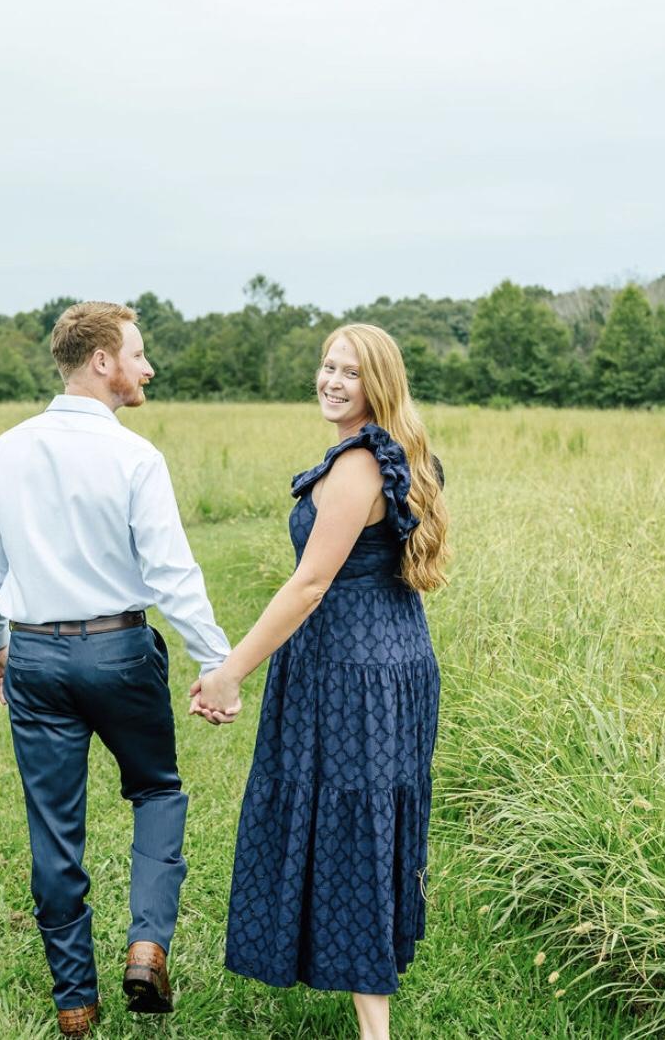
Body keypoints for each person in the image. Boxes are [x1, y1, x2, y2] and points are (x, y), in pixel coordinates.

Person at [0, 301, 237, 1039]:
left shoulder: (5, 449)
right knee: (156, 789)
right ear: (101, 361)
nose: (147, 368)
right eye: (137, 354)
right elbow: (172, 574)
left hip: (35, 655)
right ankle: (147, 946)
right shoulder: (134, 457)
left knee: (54, 826)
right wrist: (215, 661)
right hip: (119, 651)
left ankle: (75, 1002)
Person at [192, 323, 449, 1040]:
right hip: (391, 657)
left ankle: (375, 1029)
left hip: (352, 672)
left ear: (378, 384)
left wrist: (230, 672)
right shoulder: (398, 453)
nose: (331, 381)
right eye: (327, 365)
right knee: (362, 820)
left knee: (353, 825)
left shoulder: (359, 467)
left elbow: (309, 586)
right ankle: (361, 997)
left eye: (349, 371)